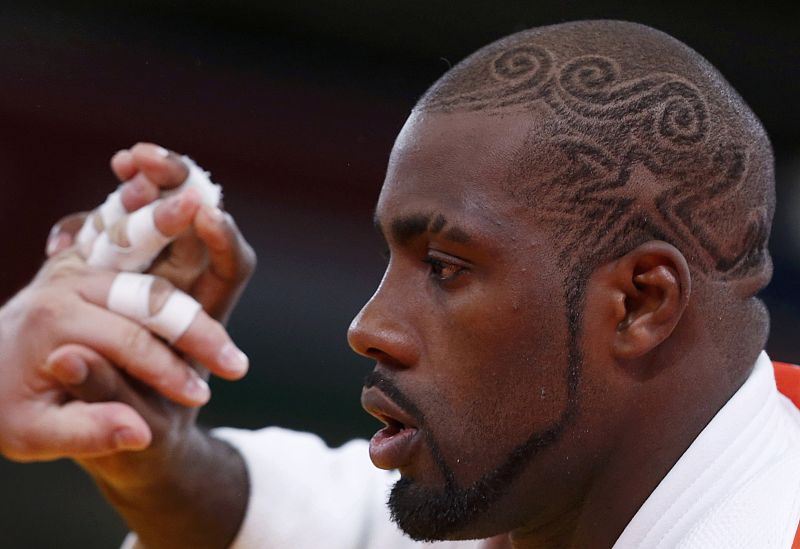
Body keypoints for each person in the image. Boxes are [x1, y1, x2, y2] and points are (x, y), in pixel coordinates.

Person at [1, 19, 799, 549]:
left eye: (446, 267)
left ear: (640, 302)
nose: (369, 324)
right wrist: (149, 449)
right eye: (392, 259)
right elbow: (313, 520)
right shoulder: (542, 493)